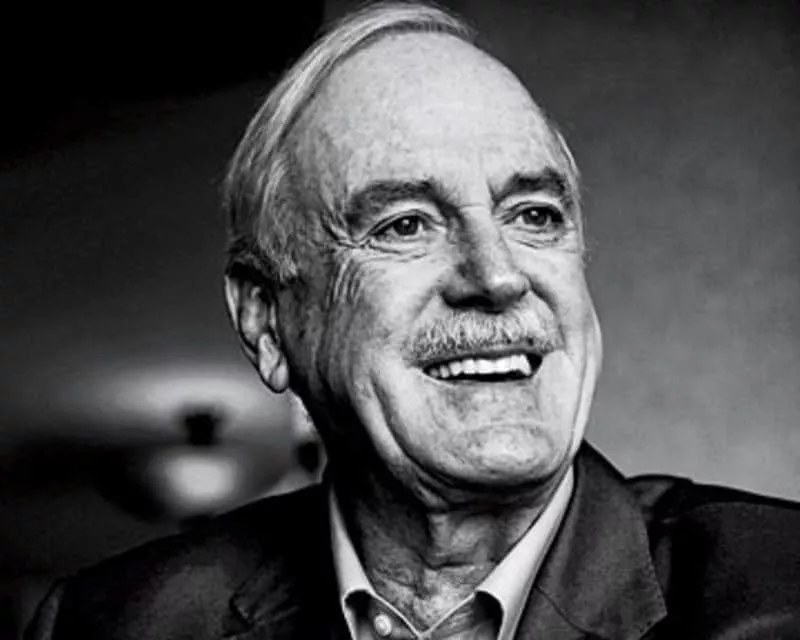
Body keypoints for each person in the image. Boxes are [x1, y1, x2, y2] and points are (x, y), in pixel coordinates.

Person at [26, 3, 800, 639]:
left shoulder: (779, 586)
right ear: (266, 320)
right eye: (405, 225)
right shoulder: (108, 624)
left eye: (534, 214)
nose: (497, 276)